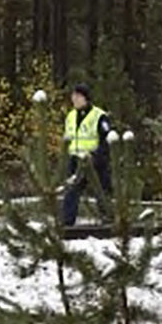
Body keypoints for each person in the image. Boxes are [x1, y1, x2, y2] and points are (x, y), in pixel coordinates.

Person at [61, 83, 114, 226]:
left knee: (102, 191)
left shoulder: (99, 116)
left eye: (78, 96)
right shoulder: (70, 116)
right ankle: (67, 223)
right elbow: (68, 138)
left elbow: (106, 140)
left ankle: (109, 220)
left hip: (95, 159)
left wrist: (96, 155)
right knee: (71, 191)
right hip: (75, 159)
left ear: (86, 98)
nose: (75, 99)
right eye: (73, 96)